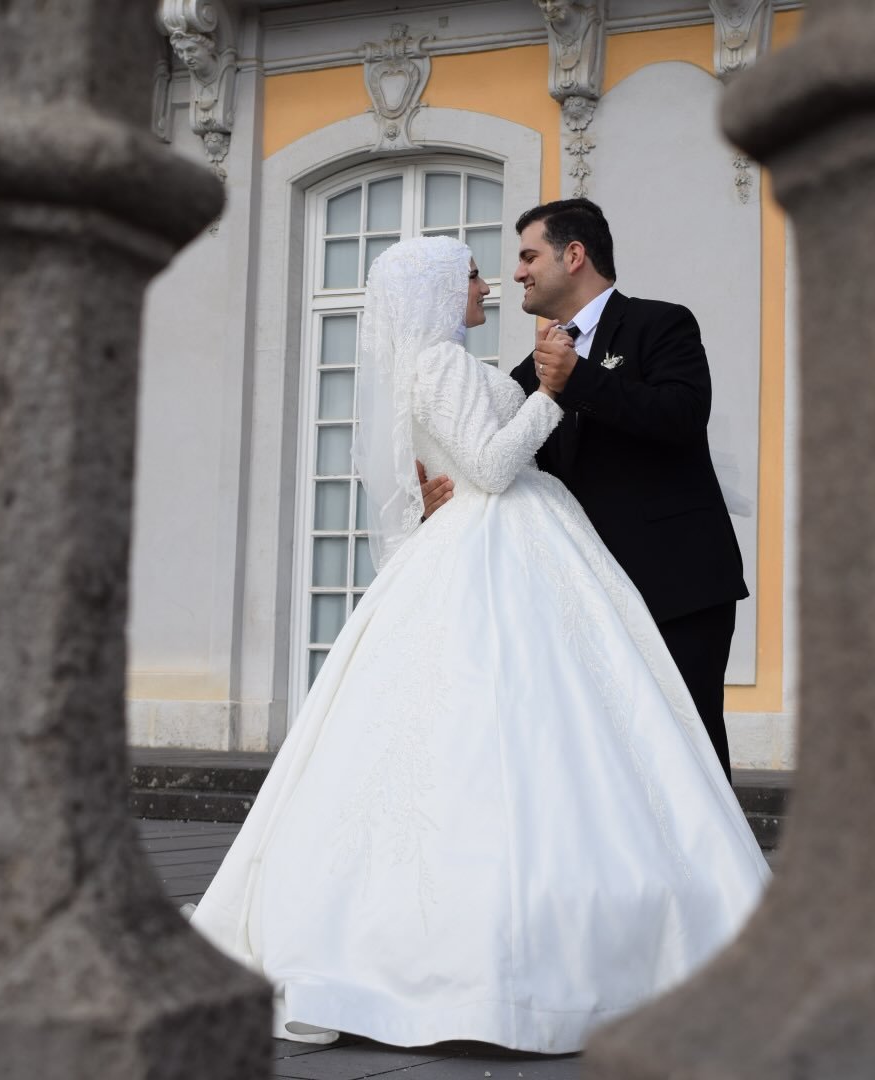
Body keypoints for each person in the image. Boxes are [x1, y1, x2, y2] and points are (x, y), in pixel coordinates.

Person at [189, 236, 768, 1055]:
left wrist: (518, 421)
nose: (490, 283)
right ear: (434, 290)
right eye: (471, 275)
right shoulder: (443, 365)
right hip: (501, 542)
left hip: (519, 538)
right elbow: (493, 468)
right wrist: (554, 395)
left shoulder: (455, 364)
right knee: (511, 722)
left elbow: (468, 460)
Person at [421, 199, 747, 780]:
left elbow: (682, 416)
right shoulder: (526, 375)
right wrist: (442, 505)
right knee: (610, 766)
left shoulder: (660, 324)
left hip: (675, 585)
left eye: (529, 257)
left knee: (689, 755)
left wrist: (579, 379)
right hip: (581, 596)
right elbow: (504, 469)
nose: (517, 273)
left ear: (573, 255)